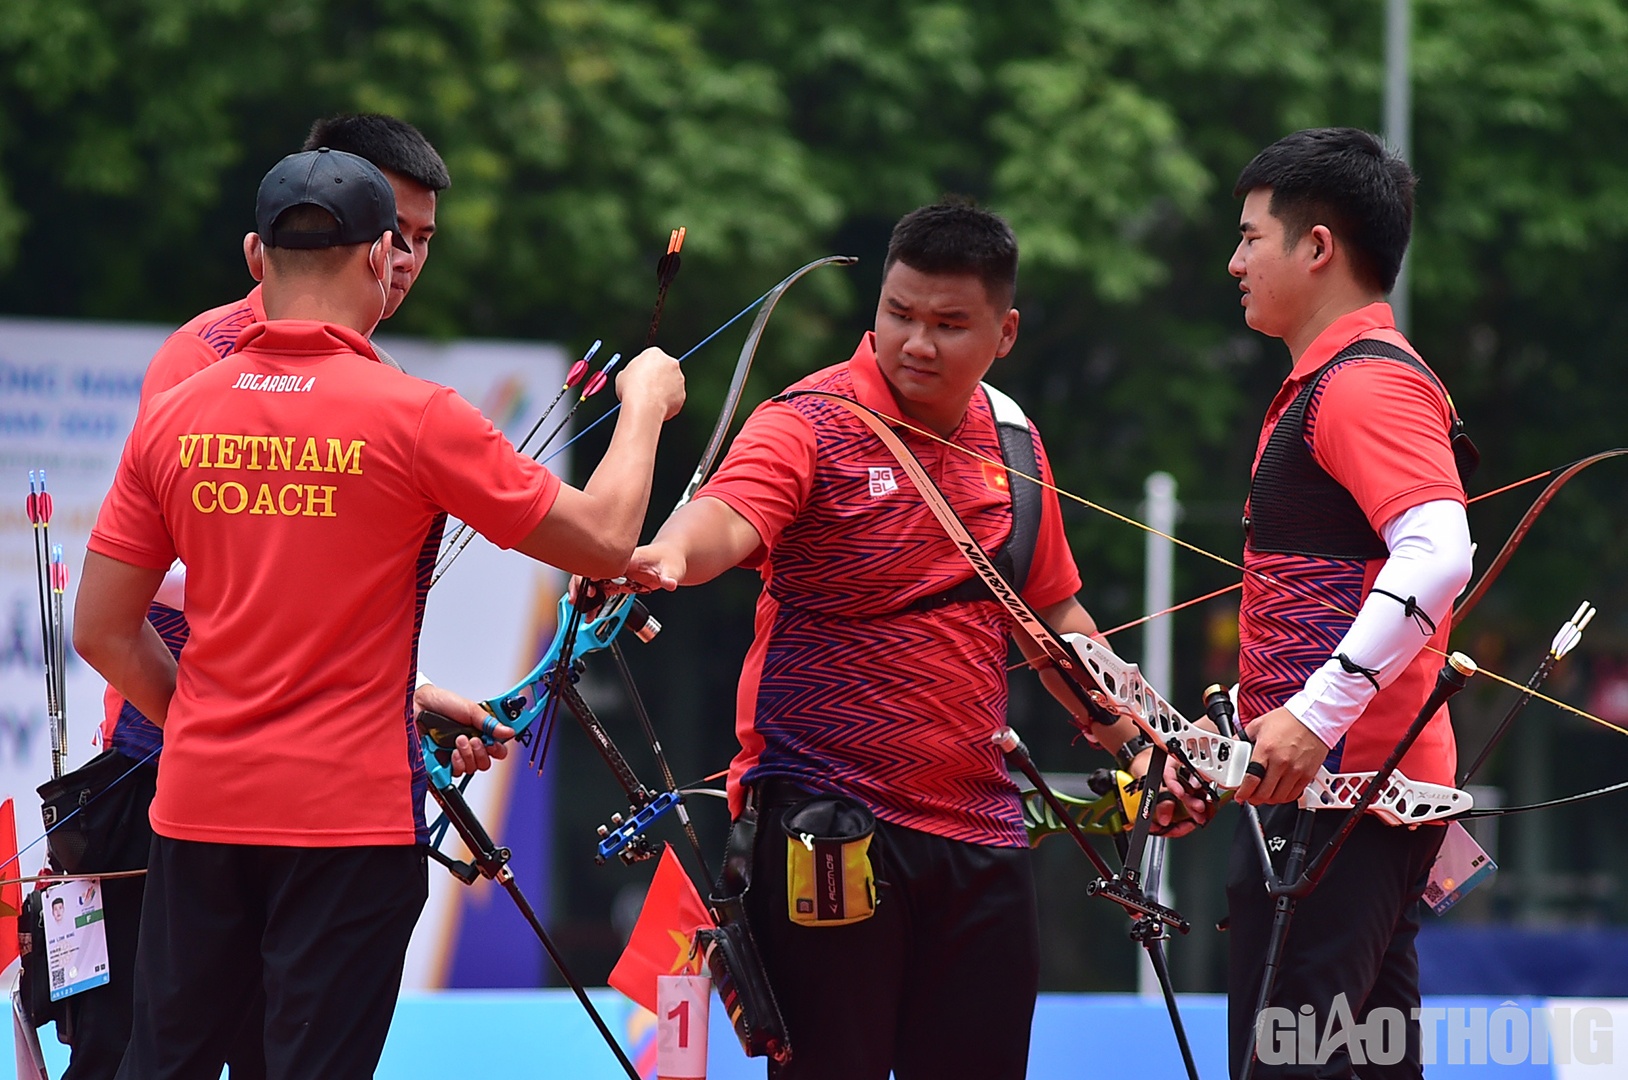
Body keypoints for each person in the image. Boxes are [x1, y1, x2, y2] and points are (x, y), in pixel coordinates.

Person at [73, 147, 685, 1080]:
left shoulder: (178, 412)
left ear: (255, 256)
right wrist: (643, 407)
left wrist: (205, 727)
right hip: (348, 826)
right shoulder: (415, 416)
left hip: (196, 813)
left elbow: (102, 629)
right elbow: (603, 537)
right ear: (375, 259)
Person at [623, 201, 1151, 1080]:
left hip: (982, 830)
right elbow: (724, 519)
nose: (916, 342)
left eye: (950, 324)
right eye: (899, 313)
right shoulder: (808, 421)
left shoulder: (1015, 444)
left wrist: (1141, 745)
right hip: (826, 819)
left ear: (1005, 331)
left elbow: (1054, 618)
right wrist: (663, 555)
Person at [65, 115, 465, 1080]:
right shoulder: (205, 362)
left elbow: (286, 612)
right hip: (175, 774)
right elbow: (154, 613)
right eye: (388, 230)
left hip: (275, 776)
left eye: (421, 239)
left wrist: (398, 702)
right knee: (153, 1055)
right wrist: (222, 726)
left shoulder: (374, 381)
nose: (402, 258)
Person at [1223, 128, 1475, 1079]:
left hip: (1338, 808)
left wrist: (1312, 717)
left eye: (1251, 237)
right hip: (1345, 807)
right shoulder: (1332, 382)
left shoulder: (1362, 382)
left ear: (1316, 246)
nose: (1235, 261)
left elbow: (1438, 550)